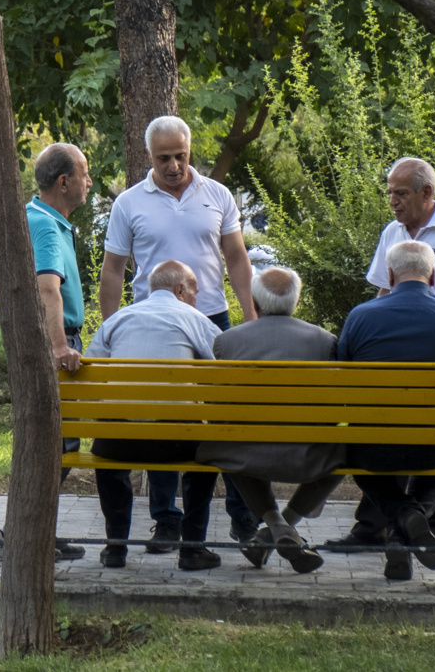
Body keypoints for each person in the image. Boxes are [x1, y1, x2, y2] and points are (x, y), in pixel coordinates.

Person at [98, 115, 259, 549]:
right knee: (161, 414)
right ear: (148, 157)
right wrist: (111, 326)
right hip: (151, 323)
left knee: (227, 420)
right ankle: (167, 519)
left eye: (181, 156)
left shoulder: (217, 195)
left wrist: (251, 317)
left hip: (212, 320)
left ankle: (242, 515)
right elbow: (113, 270)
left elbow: (238, 260)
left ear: (191, 152)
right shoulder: (129, 203)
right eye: (164, 158)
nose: (174, 166)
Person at [330, 156, 435, 550]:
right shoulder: (392, 232)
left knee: (434, 446)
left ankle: (431, 532)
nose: (392, 201)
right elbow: (383, 291)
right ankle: (378, 528)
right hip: (395, 359)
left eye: (400, 193)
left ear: (427, 192)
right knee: (391, 440)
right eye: (389, 193)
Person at [337, 240, 435, 580]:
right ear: (433, 277)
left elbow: (343, 373)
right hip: (430, 443)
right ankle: (408, 523)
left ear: (389, 275)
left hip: (372, 444)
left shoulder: (360, 316)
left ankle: (402, 523)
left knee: (358, 460)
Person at [195, 267, 343, 574]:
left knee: (225, 443)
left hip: (248, 455)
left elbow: (217, 408)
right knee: (348, 450)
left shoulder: (226, 341)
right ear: (295, 301)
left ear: (255, 302)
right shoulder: (325, 341)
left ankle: (274, 527)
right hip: (307, 457)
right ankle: (284, 525)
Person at [0, 142, 93, 563]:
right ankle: (18, 534)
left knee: (56, 442)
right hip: (57, 341)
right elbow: (47, 288)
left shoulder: (43, 218)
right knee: (56, 443)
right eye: (84, 173)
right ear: (63, 181)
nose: (89, 181)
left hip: (56, 338)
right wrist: (59, 346)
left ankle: (30, 531)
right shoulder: (46, 225)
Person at [87, 260, 223, 571]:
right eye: (195, 292)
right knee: (206, 458)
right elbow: (224, 367)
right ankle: (192, 549)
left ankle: (116, 547)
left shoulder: (119, 318)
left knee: (109, 458)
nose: (196, 299)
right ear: (180, 290)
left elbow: (91, 371)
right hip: (175, 442)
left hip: (117, 443)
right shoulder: (195, 319)